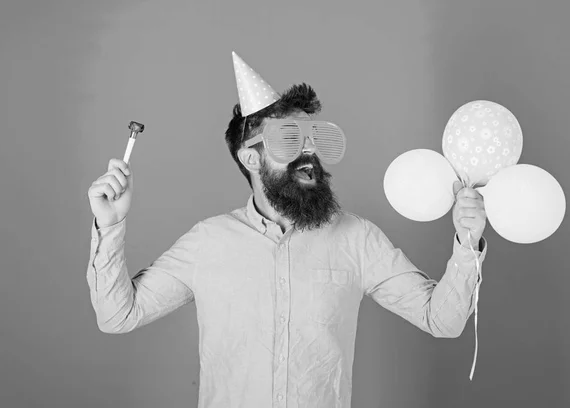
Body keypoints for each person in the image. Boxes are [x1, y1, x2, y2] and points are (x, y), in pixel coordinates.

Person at [86, 54, 488, 408]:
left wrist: (467, 241)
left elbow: (444, 321)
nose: (308, 153)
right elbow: (118, 316)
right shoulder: (207, 243)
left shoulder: (357, 239)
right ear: (250, 158)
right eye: (290, 140)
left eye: (313, 139)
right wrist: (110, 224)